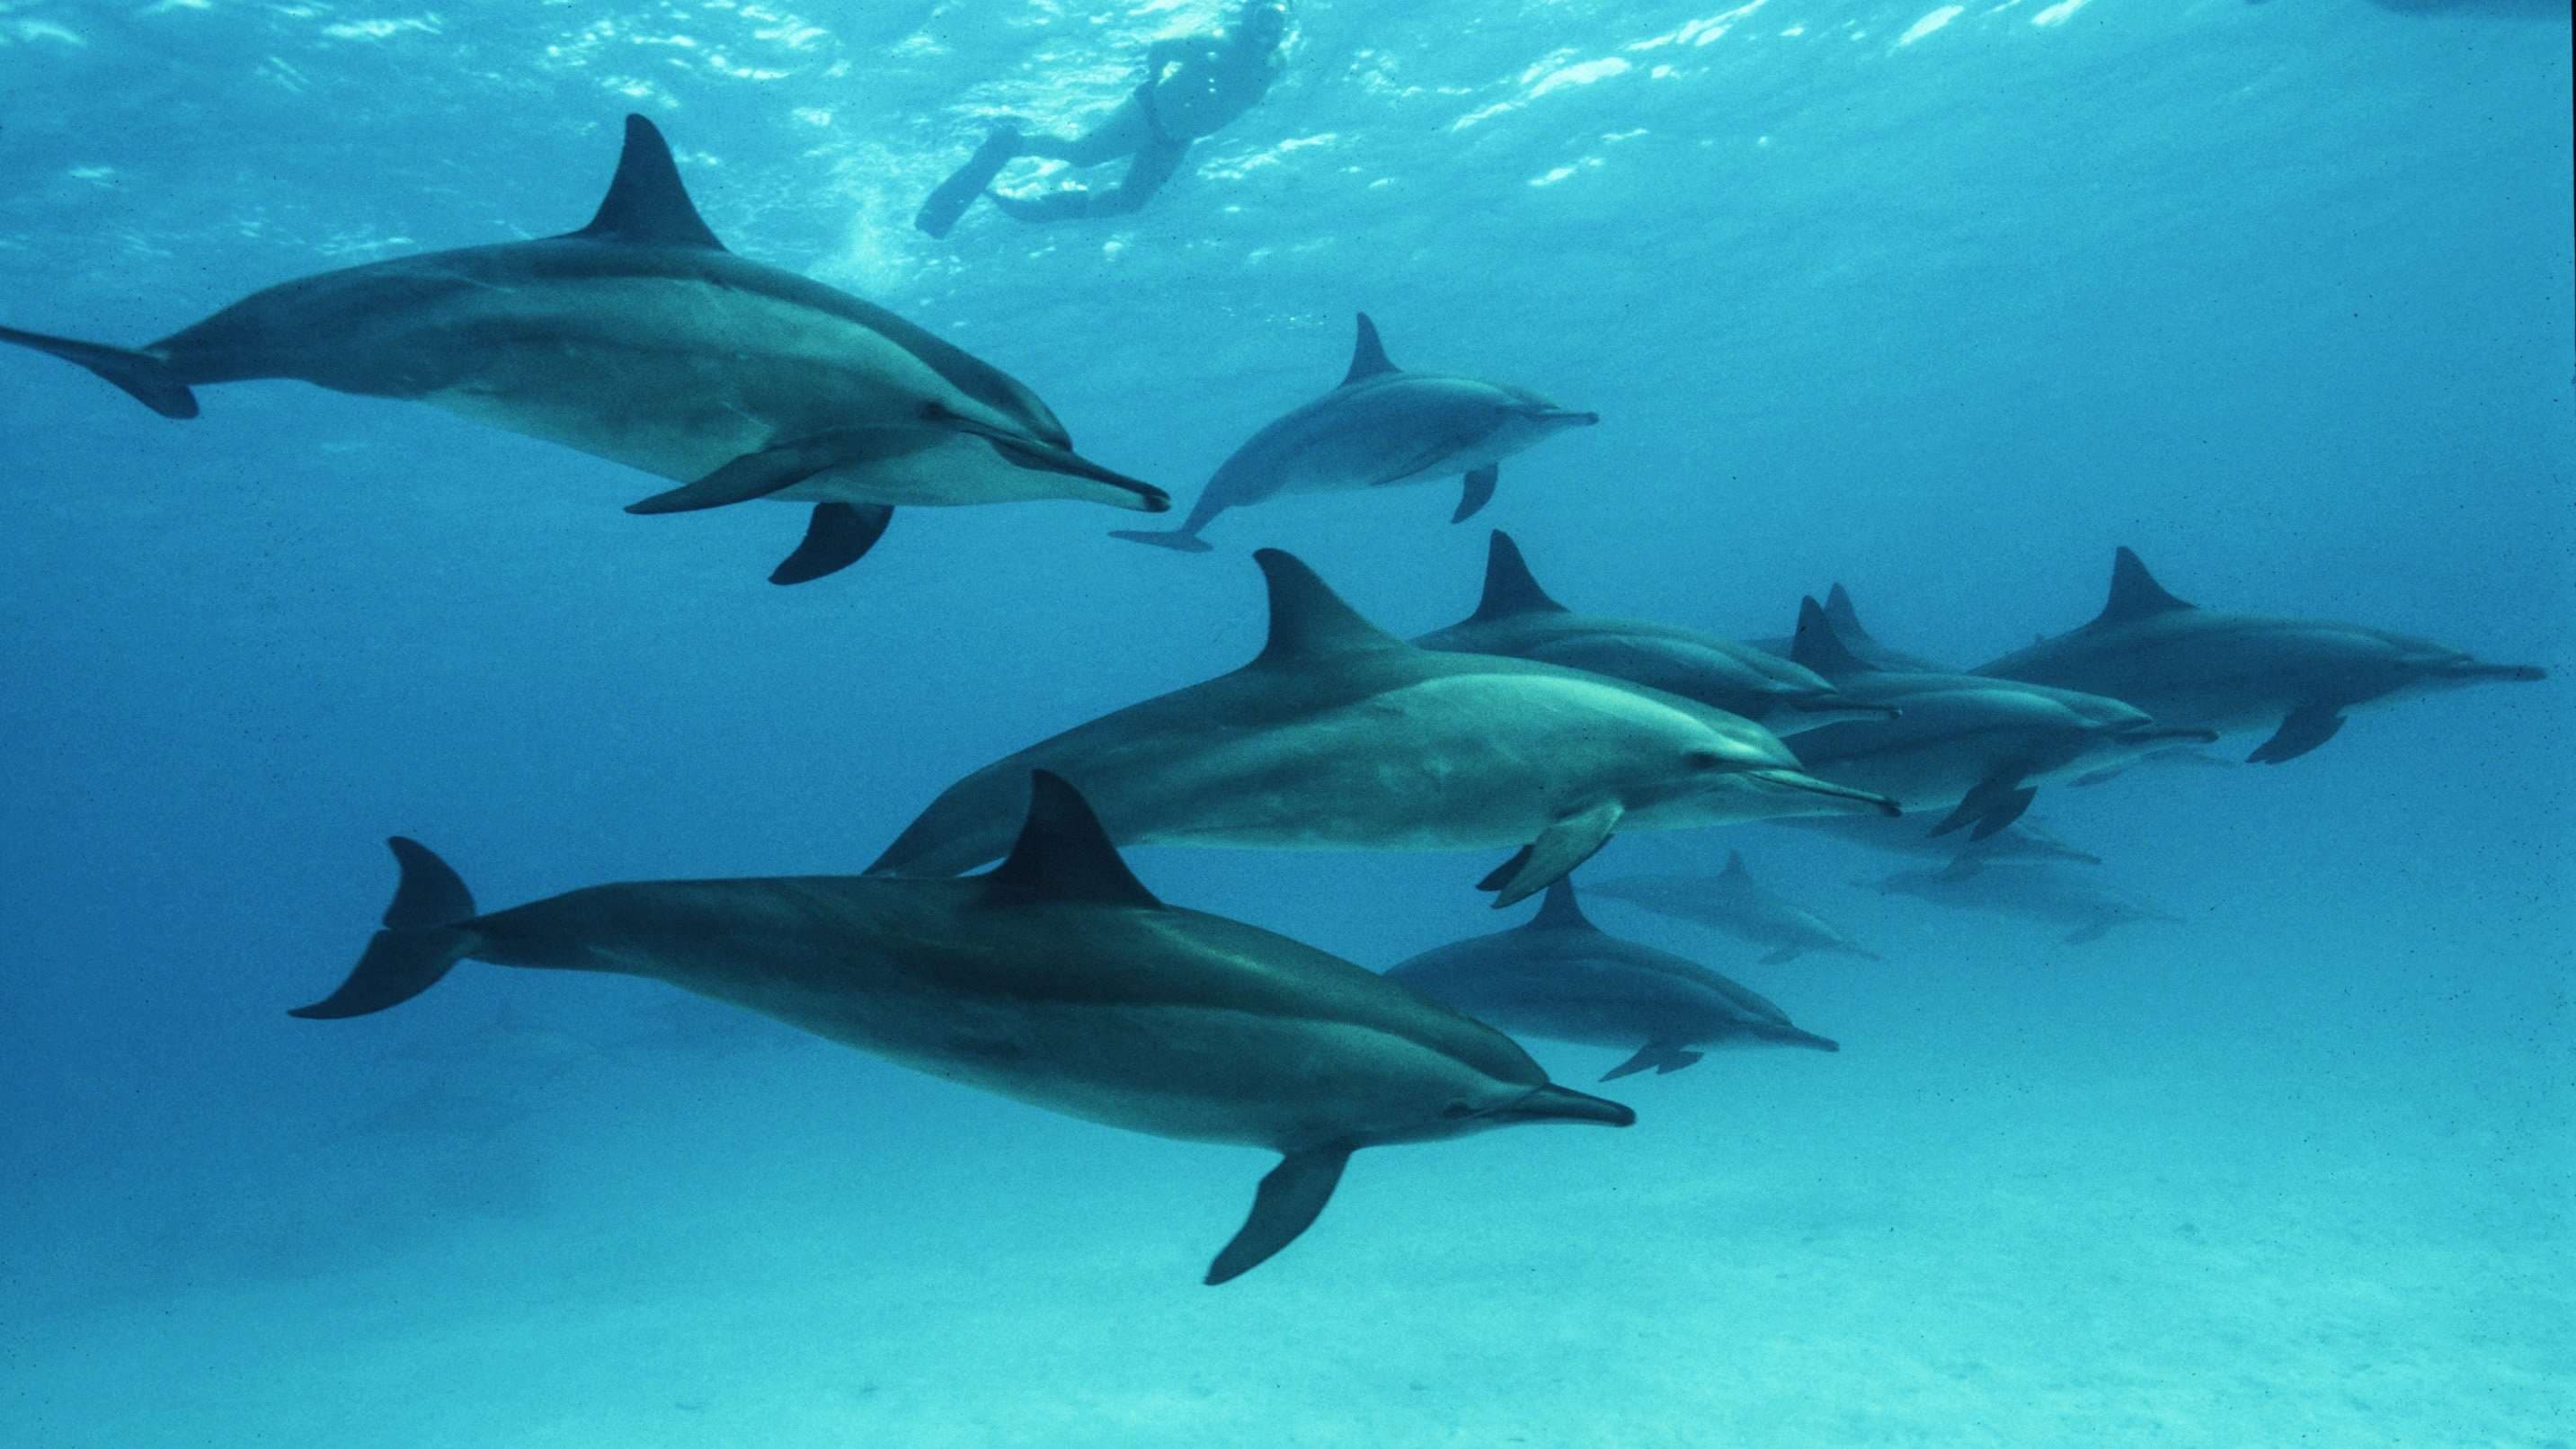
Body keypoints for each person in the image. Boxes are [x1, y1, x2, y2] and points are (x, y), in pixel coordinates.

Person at [915, 2, 1289, 237]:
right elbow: (1161, 47)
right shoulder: (1219, 41)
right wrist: (1155, 80)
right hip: (1150, 114)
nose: (1268, 28)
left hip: (1177, 139)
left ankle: (1059, 206)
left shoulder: (1276, 65)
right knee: (1082, 155)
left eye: (1277, 20)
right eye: (1264, 16)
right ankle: (1014, 143)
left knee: (1132, 202)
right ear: (1247, 14)